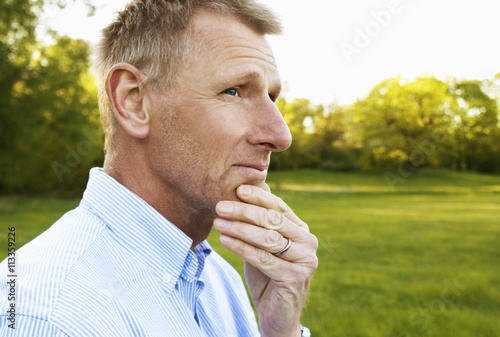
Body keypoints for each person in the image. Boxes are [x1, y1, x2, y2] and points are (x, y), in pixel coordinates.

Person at [0, 0, 318, 336]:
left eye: (272, 95)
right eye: (234, 91)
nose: (281, 135)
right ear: (133, 101)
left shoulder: (219, 280)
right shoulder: (46, 318)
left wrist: (280, 331)